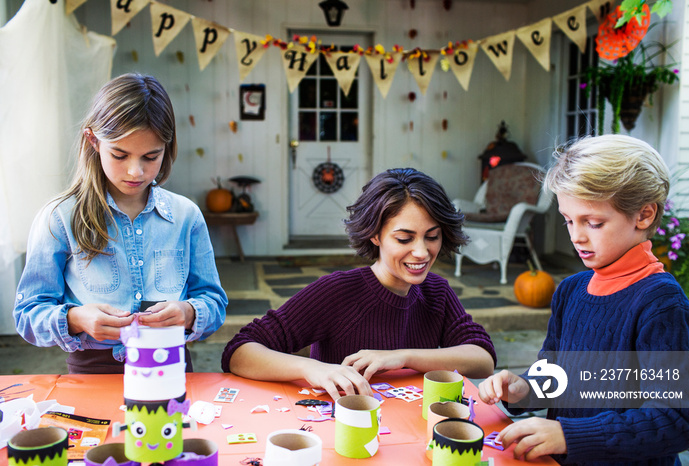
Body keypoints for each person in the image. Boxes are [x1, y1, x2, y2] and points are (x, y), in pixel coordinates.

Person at [478, 135, 689, 464]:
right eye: (569, 220)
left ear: (644, 215)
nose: (576, 236)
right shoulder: (571, 290)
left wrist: (568, 434)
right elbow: (556, 375)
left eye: (593, 222)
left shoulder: (660, 304)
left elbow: (674, 421)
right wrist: (524, 389)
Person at [14, 73, 227, 374]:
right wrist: (75, 318)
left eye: (150, 157)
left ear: (167, 147)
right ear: (93, 141)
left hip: (172, 373)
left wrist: (189, 312)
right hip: (92, 376)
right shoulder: (59, 218)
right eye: (120, 154)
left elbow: (214, 302)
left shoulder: (186, 216)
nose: (135, 171)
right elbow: (27, 315)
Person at [222, 168, 496, 400]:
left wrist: (402, 357)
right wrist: (313, 369)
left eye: (432, 236)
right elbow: (239, 351)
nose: (422, 252)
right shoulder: (337, 292)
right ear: (375, 235)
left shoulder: (437, 292)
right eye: (404, 239)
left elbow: (482, 359)